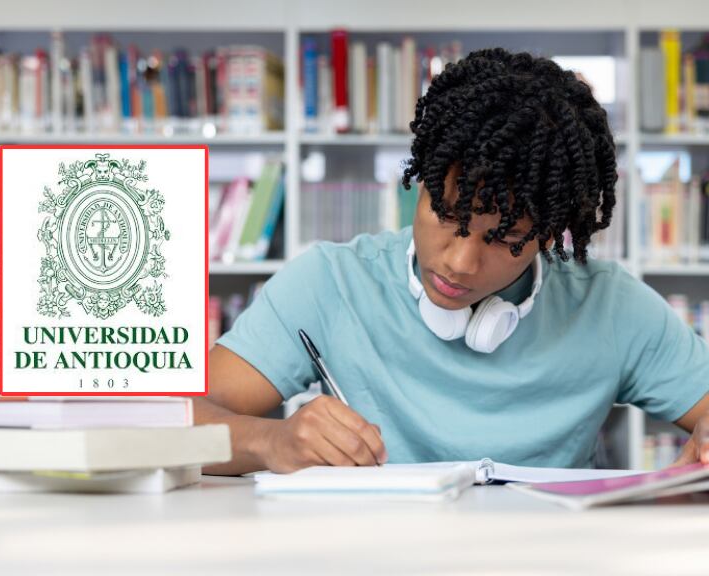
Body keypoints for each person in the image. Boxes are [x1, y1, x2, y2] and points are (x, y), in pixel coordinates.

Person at [196, 47, 709, 475]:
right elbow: (173, 420)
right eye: (446, 214)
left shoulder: (609, 307)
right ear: (419, 181)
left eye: (504, 239)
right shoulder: (330, 284)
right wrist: (272, 441)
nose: (461, 263)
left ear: (549, 236)